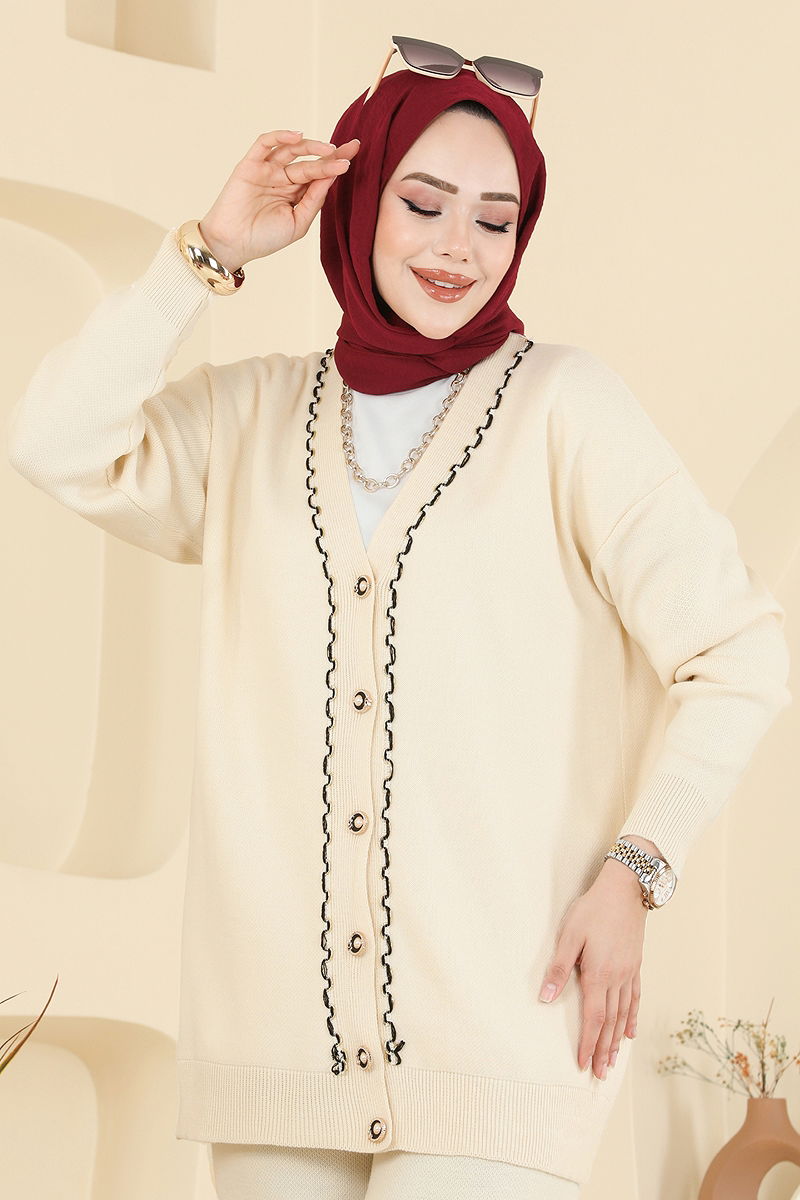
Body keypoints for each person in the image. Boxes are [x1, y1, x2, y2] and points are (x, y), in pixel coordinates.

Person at [7, 45, 791, 1200]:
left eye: (493, 219)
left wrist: (637, 868)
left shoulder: (566, 409)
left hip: (507, 1031)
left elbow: (738, 652)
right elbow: (55, 443)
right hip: (274, 1050)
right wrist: (207, 252)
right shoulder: (251, 417)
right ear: (360, 198)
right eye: (422, 204)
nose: (455, 248)